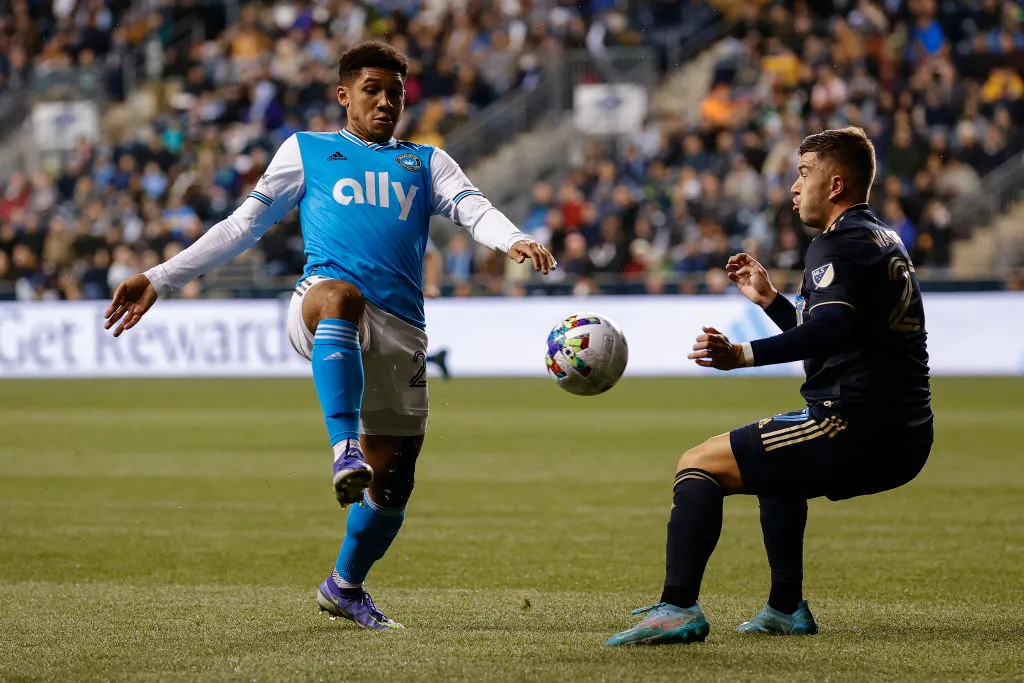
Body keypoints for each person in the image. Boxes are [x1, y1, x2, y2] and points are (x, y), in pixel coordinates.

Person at [103, 41, 556, 630]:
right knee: (338, 294)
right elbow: (245, 225)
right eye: (373, 89)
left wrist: (511, 238)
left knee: (396, 478)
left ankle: (345, 585)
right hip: (323, 307)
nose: (386, 101)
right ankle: (342, 445)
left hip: (402, 330)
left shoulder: (427, 161)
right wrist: (162, 277)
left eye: (395, 91)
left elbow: (474, 208)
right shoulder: (307, 151)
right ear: (345, 94)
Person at [605, 127, 932, 646]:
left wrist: (741, 355)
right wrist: (772, 302)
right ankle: (785, 608)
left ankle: (678, 606)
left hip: (857, 425)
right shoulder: (878, 237)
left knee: (697, 463)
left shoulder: (836, 244)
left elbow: (830, 330)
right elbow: (838, 331)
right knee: (778, 474)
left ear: (837, 184)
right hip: (902, 429)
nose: (793, 188)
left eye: (804, 174)